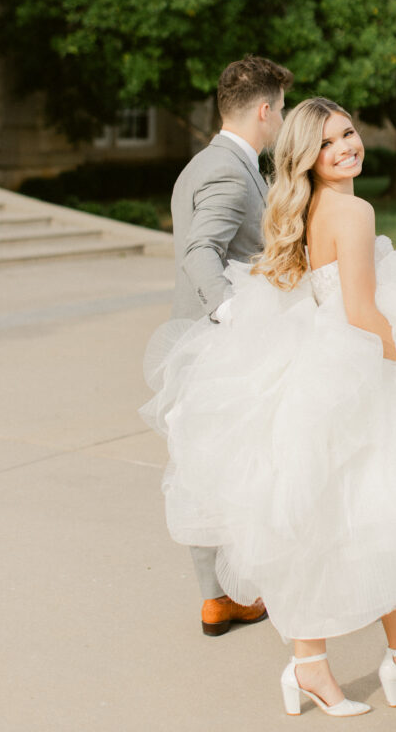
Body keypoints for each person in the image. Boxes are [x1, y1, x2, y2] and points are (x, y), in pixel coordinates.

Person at [141, 97, 396, 716]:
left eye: (349, 133)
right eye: (328, 142)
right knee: (388, 518)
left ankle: (341, 666)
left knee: (332, 522)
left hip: (322, 367)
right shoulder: (354, 209)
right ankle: (377, 664)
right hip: (359, 372)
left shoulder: (303, 208)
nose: (347, 147)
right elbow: (364, 311)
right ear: (307, 157)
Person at [167, 55, 293, 636]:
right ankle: (232, 594)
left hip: (192, 343)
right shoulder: (226, 170)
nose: (282, 121)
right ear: (265, 110)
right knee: (240, 467)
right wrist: (235, 314)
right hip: (220, 347)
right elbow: (201, 254)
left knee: (204, 469)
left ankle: (218, 598)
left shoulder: (199, 164)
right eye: (282, 110)